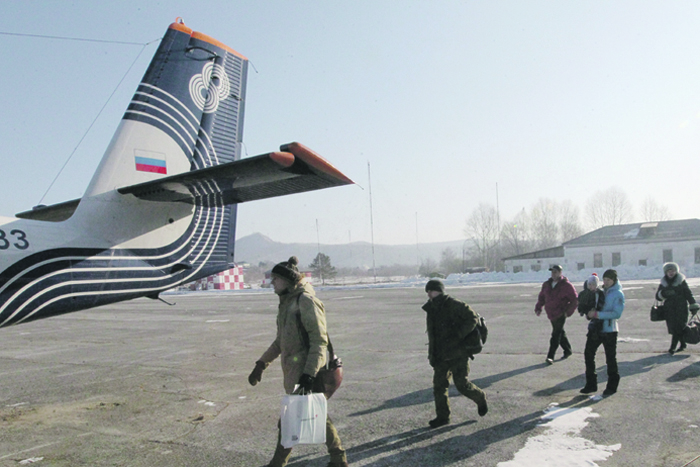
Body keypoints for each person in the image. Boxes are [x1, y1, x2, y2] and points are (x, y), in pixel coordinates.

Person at [247, 256, 349, 467]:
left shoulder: (306, 301)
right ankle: (338, 458)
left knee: (294, 418)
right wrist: (261, 364)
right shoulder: (287, 303)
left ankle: (279, 462)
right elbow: (280, 341)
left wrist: (309, 374)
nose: (272, 283)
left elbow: (319, 341)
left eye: (275, 279)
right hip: (295, 373)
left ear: (287, 280)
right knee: (309, 414)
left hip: (306, 373)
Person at [422, 279, 487, 429]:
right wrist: (432, 355)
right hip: (440, 355)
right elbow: (432, 335)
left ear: (439, 291)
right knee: (439, 387)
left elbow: (472, 318)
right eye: (427, 291)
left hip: (458, 353)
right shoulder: (431, 308)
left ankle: (480, 397)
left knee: (462, 385)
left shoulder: (454, 304)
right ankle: (443, 417)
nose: (429, 294)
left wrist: (458, 335)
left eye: (431, 291)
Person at [580, 269, 624, 395]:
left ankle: (612, 385)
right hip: (596, 328)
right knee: (588, 354)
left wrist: (597, 314)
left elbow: (617, 313)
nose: (606, 282)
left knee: (610, 358)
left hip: (610, 330)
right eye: (604, 280)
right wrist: (588, 312)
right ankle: (591, 383)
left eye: (609, 280)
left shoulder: (618, 294)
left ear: (614, 280)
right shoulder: (600, 291)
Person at [534, 265, 578, 364]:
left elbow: (575, 300)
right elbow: (541, 297)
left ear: (560, 273)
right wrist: (538, 307)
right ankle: (567, 350)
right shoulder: (547, 284)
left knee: (555, 334)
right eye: (552, 272)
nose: (553, 274)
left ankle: (550, 356)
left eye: (555, 272)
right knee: (560, 333)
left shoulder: (566, 285)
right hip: (551, 313)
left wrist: (568, 312)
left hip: (561, 313)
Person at [656, 262, 700, 354]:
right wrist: (663, 294)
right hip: (669, 310)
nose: (671, 272)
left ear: (676, 271)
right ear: (666, 272)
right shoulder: (664, 282)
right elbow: (657, 296)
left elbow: (688, 293)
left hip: (681, 309)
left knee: (679, 328)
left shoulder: (681, 281)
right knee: (673, 329)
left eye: (673, 270)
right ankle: (683, 344)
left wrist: (693, 305)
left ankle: (672, 348)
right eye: (669, 271)